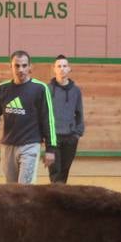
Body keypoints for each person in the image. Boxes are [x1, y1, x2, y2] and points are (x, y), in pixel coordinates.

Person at [0, 50, 57, 185]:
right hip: (8, 147)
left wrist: (50, 149)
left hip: (30, 146)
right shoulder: (2, 89)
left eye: (24, 66)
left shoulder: (40, 89)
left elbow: (49, 120)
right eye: (17, 66)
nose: (21, 70)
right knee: (11, 190)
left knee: (24, 190)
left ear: (30, 67)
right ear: (11, 67)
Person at [47, 55, 84, 183]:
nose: (62, 69)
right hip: (53, 137)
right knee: (55, 172)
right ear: (54, 69)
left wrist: (77, 133)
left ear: (69, 69)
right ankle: (55, 199)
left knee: (64, 170)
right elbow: (42, 112)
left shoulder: (76, 91)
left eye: (64, 66)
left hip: (70, 138)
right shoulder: (47, 89)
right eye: (59, 66)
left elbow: (79, 113)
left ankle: (61, 198)